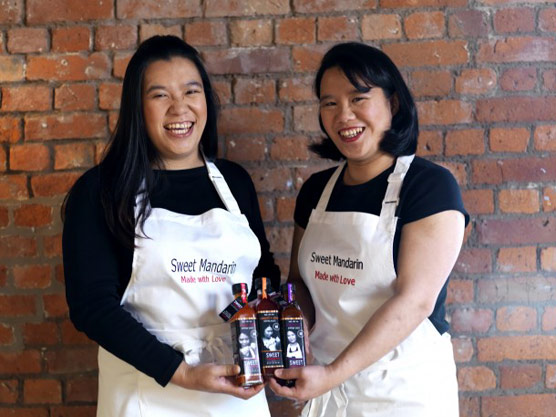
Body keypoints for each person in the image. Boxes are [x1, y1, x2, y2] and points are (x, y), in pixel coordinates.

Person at [62, 35, 280, 417]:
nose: (180, 108)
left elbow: (262, 274)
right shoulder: (101, 191)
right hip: (145, 393)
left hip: (236, 393)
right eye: (160, 95)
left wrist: (274, 331)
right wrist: (181, 372)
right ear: (137, 107)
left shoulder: (235, 182)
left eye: (191, 91)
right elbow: (92, 307)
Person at [269, 42, 469, 417]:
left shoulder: (429, 187)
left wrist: (332, 374)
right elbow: (299, 283)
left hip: (402, 393)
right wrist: (295, 332)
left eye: (358, 98)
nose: (344, 115)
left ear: (392, 103)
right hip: (326, 390)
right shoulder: (316, 191)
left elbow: (415, 301)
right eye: (329, 103)